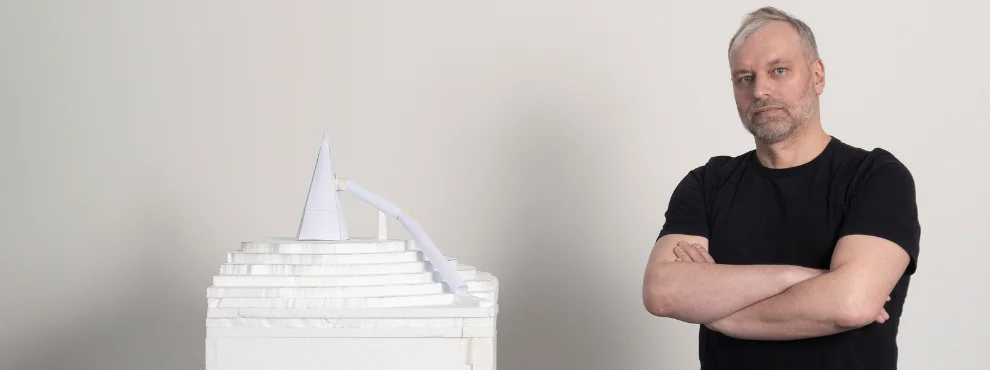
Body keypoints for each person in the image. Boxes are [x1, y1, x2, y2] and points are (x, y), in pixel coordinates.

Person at [641, 6, 921, 370]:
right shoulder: (707, 184)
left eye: (779, 70)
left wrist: (720, 314)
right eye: (744, 78)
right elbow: (662, 292)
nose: (759, 90)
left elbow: (851, 303)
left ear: (817, 76)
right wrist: (799, 278)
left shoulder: (876, 177)